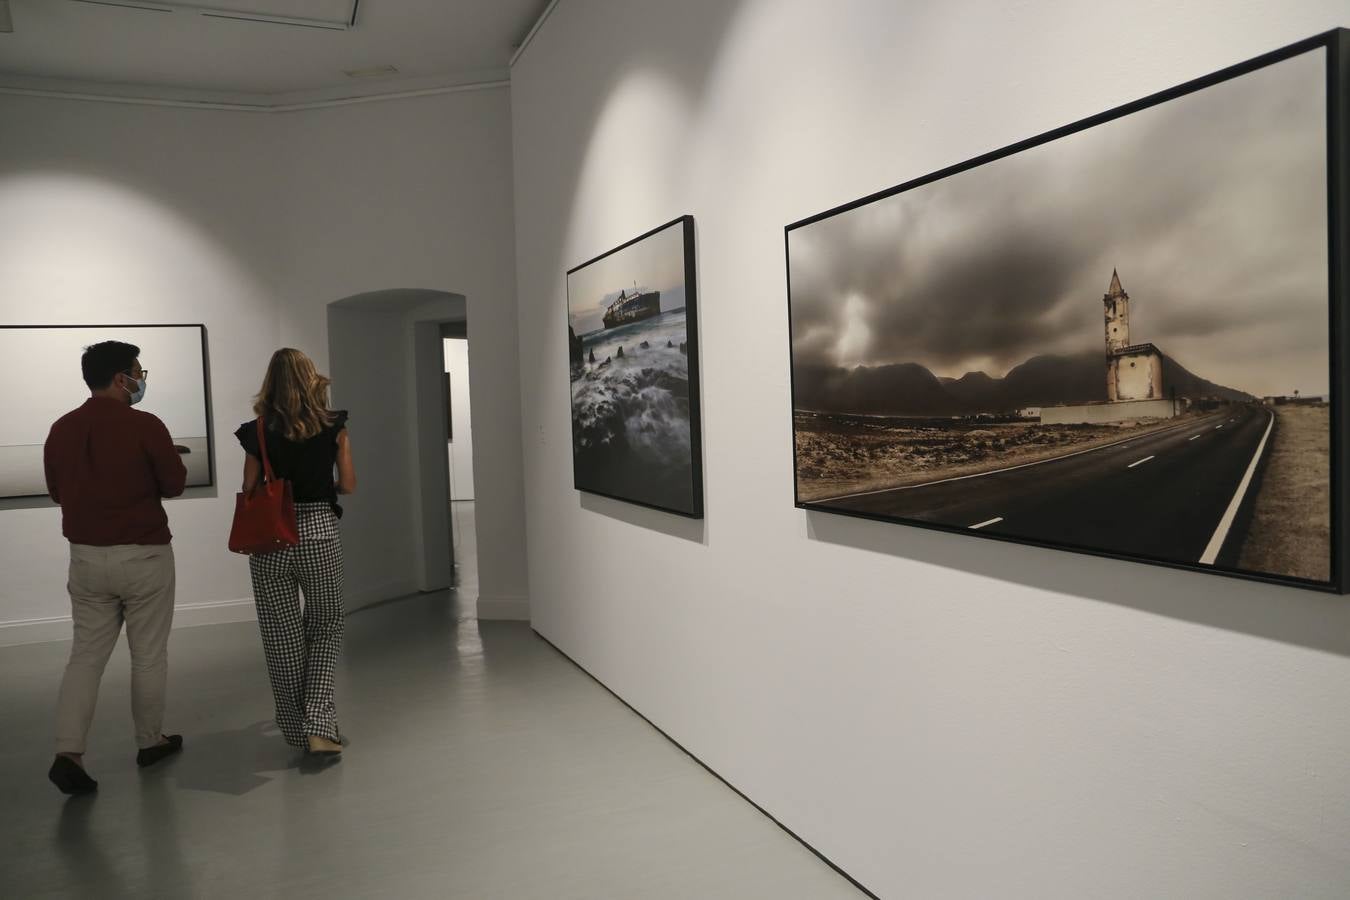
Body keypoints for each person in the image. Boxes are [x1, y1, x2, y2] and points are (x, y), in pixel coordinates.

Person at [44, 341, 187, 795]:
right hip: (143, 554)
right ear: (121, 378)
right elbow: (174, 485)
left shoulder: (62, 428)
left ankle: (69, 751)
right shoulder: (145, 425)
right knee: (148, 654)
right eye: (139, 371)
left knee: (85, 656)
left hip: (86, 557)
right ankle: (150, 741)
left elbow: (56, 491)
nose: (142, 378)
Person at [235, 348, 356, 759]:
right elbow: (350, 485)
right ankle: (320, 723)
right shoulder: (333, 426)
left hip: (272, 538)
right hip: (319, 530)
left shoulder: (256, 431)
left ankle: (295, 726)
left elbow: (250, 489)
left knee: (282, 637)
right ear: (310, 379)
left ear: (271, 382)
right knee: (325, 624)